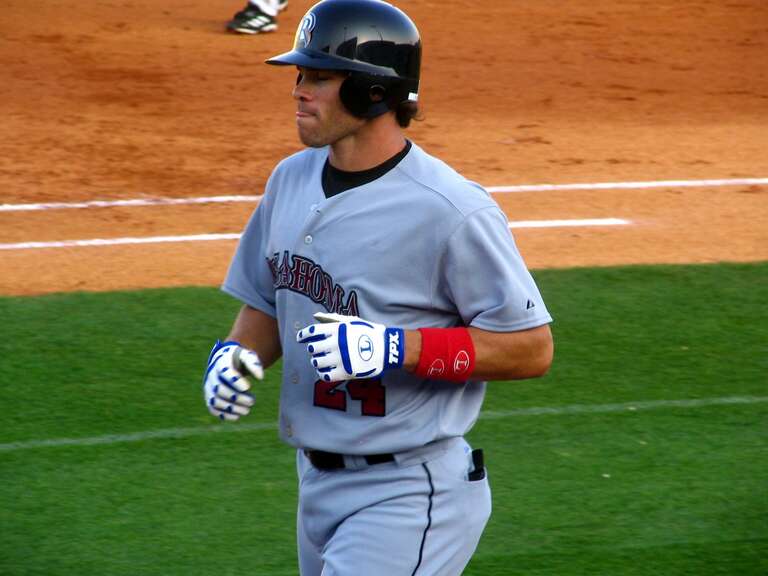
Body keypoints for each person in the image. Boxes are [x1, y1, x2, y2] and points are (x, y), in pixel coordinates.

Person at [202, 1, 554, 574]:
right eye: (300, 75)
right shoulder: (289, 179)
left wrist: (396, 347)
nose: (299, 90)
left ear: (370, 90)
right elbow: (269, 300)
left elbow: (530, 348)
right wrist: (234, 357)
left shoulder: (450, 209)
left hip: (408, 492)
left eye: (318, 76)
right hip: (314, 481)